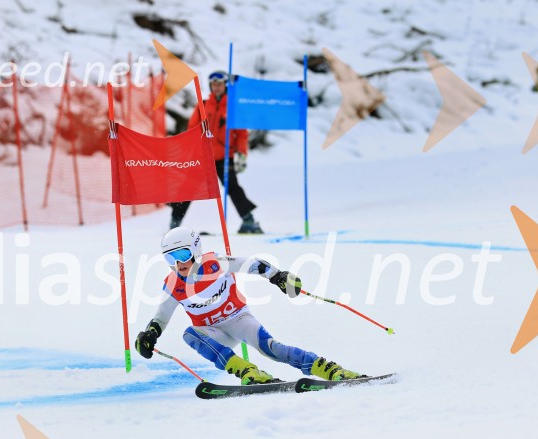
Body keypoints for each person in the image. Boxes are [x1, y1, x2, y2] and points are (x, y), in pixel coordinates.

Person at [133, 227, 366, 384]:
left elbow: (254, 264)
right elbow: (161, 318)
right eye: (170, 258)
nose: (178, 263)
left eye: (182, 254)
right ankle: (248, 371)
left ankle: (330, 370)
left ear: (195, 250)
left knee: (272, 350)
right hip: (213, 334)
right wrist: (149, 335)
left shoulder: (216, 264)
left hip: (238, 320)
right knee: (189, 335)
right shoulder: (173, 284)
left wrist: (278, 277)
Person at [168, 70, 263, 234]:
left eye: (219, 84)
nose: (216, 87)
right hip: (202, 156)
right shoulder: (204, 105)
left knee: (233, 187)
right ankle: (175, 222)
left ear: (225, 85)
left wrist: (242, 154)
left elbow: (241, 134)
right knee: (188, 187)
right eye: (213, 84)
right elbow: (192, 129)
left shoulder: (233, 107)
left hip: (224, 157)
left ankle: (248, 219)